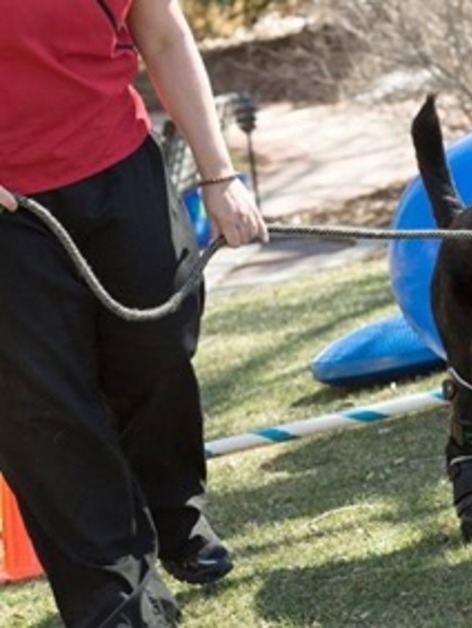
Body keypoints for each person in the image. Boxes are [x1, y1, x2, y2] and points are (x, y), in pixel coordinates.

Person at [0, 1, 268, 625]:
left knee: (159, 347)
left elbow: (165, 36)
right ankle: (119, 602)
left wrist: (219, 173)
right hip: (7, 212)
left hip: (116, 164)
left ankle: (172, 509)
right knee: (45, 413)